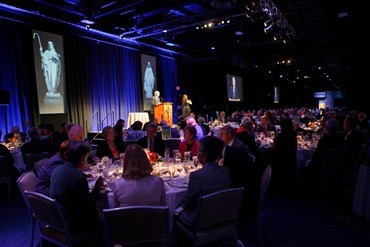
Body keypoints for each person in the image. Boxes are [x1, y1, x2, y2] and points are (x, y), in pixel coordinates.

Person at [49, 141, 104, 239]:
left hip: (58, 218)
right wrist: (97, 187)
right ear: (83, 158)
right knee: (105, 218)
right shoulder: (79, 177)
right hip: (73, 225)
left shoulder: (58, 169)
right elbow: (89, 204)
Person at [176, 135, 231, 227]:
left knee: (173, 210)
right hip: (222, 216)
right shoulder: (225, 171)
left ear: (205, 156)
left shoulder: (196, 176)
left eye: (198, 151)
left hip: (201, 221)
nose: (197, 153)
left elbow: (186, 203)